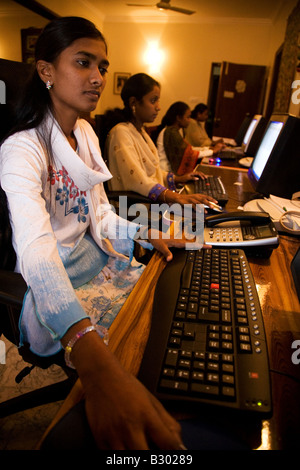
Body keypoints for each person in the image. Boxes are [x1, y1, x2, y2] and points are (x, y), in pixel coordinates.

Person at [0, 17, 204, 450]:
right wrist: (90, 357)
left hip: (98, 260)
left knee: (169, 318)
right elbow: (36, 252)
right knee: (138, 356)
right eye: (83, 62)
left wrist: (145, 233)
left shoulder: (86, 133)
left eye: (103, 66)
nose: (98, 78)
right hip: (52, 284)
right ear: (46, 71)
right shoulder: (22, 148)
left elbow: (102, 216)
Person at [104, 74, 218, 208]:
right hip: (135, 213)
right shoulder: (121, 133)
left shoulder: (140, 131)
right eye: (153, 101)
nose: (158, 107)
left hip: (151, 205)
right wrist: (178, 197)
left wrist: (178, 178)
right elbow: (137, 181)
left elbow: (151, 173)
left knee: (202, 214)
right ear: (133, 103)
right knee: (199, 220)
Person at [161, 101, 213, 175]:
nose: (190, 120)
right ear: (178, 118)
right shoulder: (171, 132)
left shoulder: (177, 130)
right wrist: (212, 152)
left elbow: (188, 149)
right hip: (167, 173)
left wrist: (208, 150)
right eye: (188, 117)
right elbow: (188, 154)